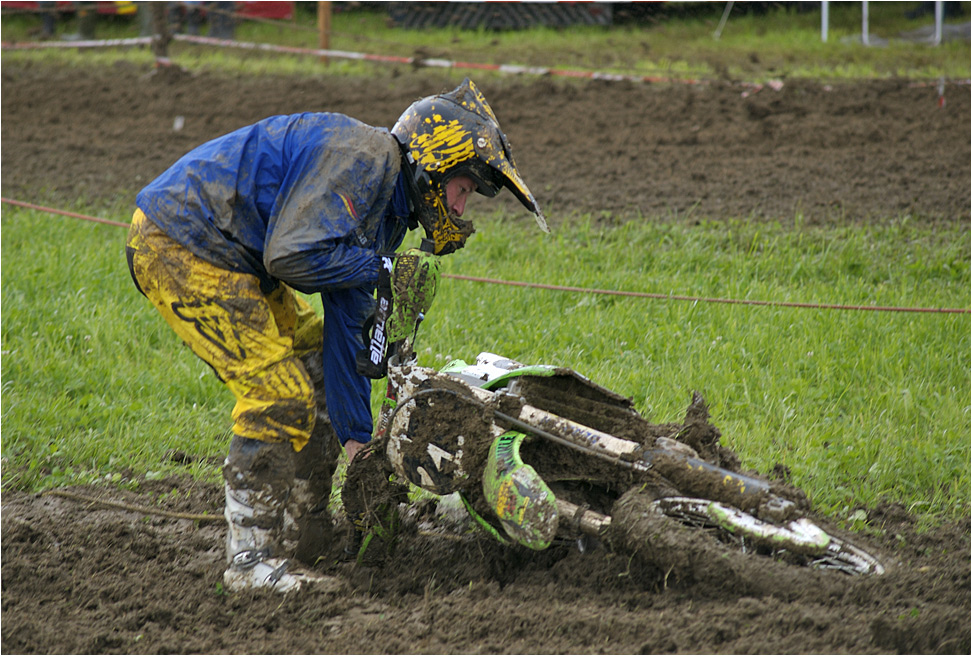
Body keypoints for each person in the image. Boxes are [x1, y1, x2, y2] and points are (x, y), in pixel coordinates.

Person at [125, 78, 547, 593]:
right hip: (180, 243)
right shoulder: (365, 159)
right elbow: (292, 256)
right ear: (434, 165)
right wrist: (384, 267)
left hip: (229, 257)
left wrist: (359, 452)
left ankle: (303, 532)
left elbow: (347, 334)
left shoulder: (389, 207)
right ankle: (249, 562)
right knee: (276, 396)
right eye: (463, 189)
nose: (460, 209)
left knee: (314, 367)